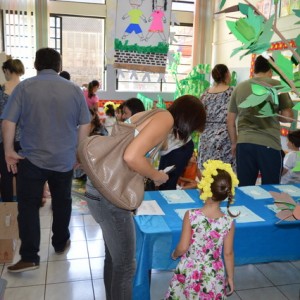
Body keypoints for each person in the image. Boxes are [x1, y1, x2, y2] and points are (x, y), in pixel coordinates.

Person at [84, 95, 206, 300]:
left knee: (114, 260)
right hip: (111, 194)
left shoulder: (151, 114)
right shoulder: (165, 119)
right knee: (125, 265)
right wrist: (156, 175)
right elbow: (131, 156)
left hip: (100, 186)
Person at [1, 47, 91, 272]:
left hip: (32, 159)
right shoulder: (74, 90)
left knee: (28, 207)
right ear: (59, 66)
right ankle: (60, 243)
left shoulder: (23, 88)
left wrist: (9, 150)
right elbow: (85, 123)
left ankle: (30, 256)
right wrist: (79, 153)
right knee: (62, 202)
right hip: (64, 159)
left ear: (35, 65)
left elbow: (8, 122)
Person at [165, 159, 239, 299]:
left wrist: (175, 254)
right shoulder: (228, 222)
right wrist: (230, 277)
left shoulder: (191, 215)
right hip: (213, 274)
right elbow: (228, 254)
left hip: (190, 270)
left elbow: (183, 246)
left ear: (203, 188)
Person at [227, 55, 294, 186]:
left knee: (245, 188)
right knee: (271, 188)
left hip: (244, 143)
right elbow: (288, 118)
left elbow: (230, 121)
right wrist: (274, 114)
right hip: (269, 144)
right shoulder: (277, 86)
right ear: (271, 69)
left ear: (254, 69)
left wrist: (234, 143)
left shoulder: (239, 87)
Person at [198, 64, 236, 171]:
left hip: (206, 136)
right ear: (227, 74)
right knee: (225, 173)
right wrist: (234, 142)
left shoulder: (205, 93)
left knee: (208, 173)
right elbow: (232, 120)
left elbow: (200, 116)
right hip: (225, 136)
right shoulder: (231, 92)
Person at [0, 58, 24, 202]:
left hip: (3, 138)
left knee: (6, 174)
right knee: (24, 175)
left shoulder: (2, 89)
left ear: (7, 70)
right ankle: (24, 208)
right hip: (24, 139)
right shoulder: (27, 88)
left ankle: (7, 209)